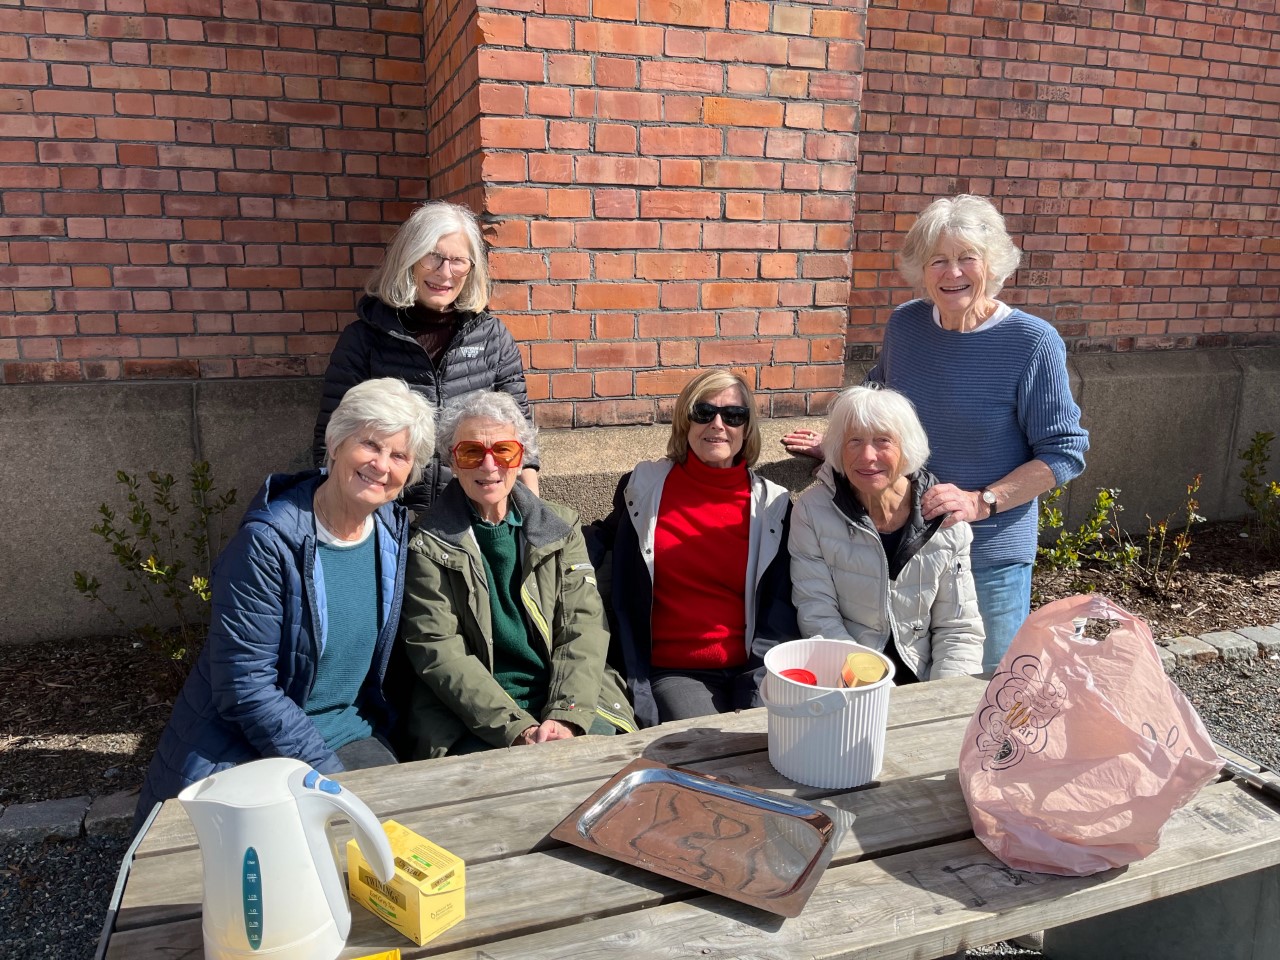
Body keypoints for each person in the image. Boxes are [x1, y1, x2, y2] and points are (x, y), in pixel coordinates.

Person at [782, 195, 1088, 669]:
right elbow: (878, 399)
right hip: (908, 547)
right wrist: (842, 447)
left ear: (993, 263)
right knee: (902, 683)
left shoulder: (1031, 342)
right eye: (938, 260)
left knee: (982, 691)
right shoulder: (906, 325)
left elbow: (1064, 452)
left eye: (968, 258)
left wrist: (981, 501)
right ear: (921, 270)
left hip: (990, 550)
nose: (953, 273)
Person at [135, 378, 435, 826]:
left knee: (414, 836)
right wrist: (329, 777)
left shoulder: (392, 532)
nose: (381, 465)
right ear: (335, 443)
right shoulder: (267, 543)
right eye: (370, 444)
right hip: (246, 747)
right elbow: (244, 688)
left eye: (399, 456)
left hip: (348, 731)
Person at [398, 391, 635, 758]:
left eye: (504, 451)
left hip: (568, 697)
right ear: (452, 461)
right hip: (470, 718)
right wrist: (517, 728)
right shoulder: (427, 543)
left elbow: (583, 625)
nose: (488, 465)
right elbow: (439, 650)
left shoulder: (560, 527)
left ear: (521, 457)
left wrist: (565, 715)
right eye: (471, 452)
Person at [592, 370, 798, 727]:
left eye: (733, 415)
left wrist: (757, 685)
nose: (718, 424)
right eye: (704, 412)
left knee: (775, 741)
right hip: (678, 671)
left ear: (747, 428)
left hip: (754, 669)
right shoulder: (645, 487)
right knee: (711, 746)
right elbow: (603, 537)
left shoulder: (773, 507)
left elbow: (778, 613)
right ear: (685, 421)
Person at [312, 200, 538, 513]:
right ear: (409, 258)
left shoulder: (492, 338)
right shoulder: (364, 339)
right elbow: (330, 440)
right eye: (432, 256)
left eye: (458, 260)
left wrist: (534, 516)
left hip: (468, 516)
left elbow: (521, 437)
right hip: (388, 513)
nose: (445, 272)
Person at [789, 385, 985, 683]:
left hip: (925, 677)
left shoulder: (945, 516)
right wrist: (868, 686)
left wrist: (943, 697)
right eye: (854, 441)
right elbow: (817, 614)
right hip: (850, 675)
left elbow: (958, 630)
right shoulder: (812, 511)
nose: (867, 456)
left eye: (883, 441)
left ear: (907, 448)